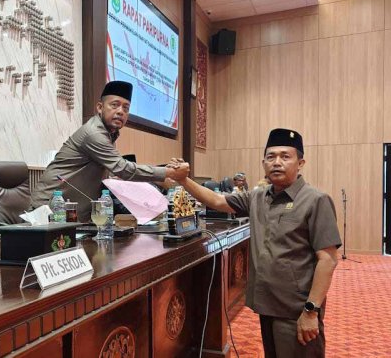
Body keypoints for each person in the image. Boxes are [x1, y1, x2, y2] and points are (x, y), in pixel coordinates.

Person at [168, 128, 341, 358]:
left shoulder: (316, 200)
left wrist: (311, 310)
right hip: (267, 305)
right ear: (263, 163)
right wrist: (183, 180)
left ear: (300, 163)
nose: (277, 162)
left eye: (285, 156)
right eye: (271, 157)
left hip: (296, 310)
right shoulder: (258, 196)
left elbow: (327, 260)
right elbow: (217, 200)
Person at [30, 80, 188, 221]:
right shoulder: (93, 133)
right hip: (48, 210)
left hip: (70, 214)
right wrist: (169, 172)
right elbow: (123, 168)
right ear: (100, 107)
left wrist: (157, 178)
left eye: (126, 108)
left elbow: (115, 172)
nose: (120, 111)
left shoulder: (108, 134)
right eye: (114, 105)